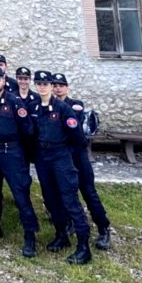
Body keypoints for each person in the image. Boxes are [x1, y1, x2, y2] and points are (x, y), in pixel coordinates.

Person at [30, 71, 92, 264]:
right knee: (50, 198)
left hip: (61, 157)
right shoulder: (33, 107)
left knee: (69, 199)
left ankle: (83, 246)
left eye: (45, 83)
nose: (42, 87)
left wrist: (66, 152)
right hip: (43, 158)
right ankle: (61, 235)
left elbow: (79, 138)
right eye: (38, 83)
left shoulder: (63, 109)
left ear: (51, 86)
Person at [0, 67, 39, 258]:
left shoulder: (15, 102)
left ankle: (30, 236)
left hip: (12, 153)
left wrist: (22, 154)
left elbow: (28, 130)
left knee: (20, 193)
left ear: (4, 80)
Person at [52, 72, 111, 250]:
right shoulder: (50, 106)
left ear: (67, 87)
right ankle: (70, 223)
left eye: (61, 85)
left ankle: (103, 228)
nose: (58, 88)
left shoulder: (75, 105)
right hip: (62, 157)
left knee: (88, 192)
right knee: (65, 193)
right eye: (55, 85)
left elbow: (71, 130)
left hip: (77, 156)